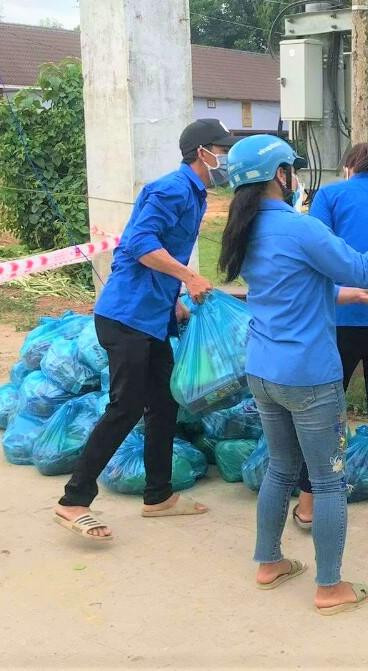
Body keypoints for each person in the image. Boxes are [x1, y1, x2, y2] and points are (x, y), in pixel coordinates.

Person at [217, 134, 368, 614]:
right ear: (280, 175)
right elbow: (365, 268)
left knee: (281, 468)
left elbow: (288, 287)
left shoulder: (245, 229)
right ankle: (330, 588)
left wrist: (344, 296)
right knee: (329, 480)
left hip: (263, 370)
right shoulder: (298, 227)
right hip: (308, 376)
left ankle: (269, 562)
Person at [53, 119, 234, 541]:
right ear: (202, 152)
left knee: (164, 403)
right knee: (127, 406)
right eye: (221, 150)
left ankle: (158, 495)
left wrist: (173, 300)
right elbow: (139, 245)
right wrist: (189, 277)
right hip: (126, 319)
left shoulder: (196, 194)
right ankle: (73, 501)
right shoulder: (170, 189)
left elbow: (151, 255)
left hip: (152, 318)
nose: (226, 158)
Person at [286, 143, 368, 548]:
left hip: (337, 321)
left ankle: (308, 506)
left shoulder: (331, 196)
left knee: (322, 414)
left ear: (348, 167)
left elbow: (314, 251)